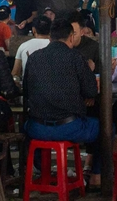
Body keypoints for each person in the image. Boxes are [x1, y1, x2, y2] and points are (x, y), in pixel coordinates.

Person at [22, 17, 100, 187]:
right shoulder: (76, 57)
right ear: (71, 37)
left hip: (37, 128)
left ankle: (42, 172)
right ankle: (97, 175)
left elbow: (26, 91)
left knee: (25, 127)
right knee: (106, 128)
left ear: (50, 37)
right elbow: (91, 91)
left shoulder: (34, 58)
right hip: (69, 128)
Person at [11, 14, 52, 82]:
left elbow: (15, 73)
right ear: (50, 30)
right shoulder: (56, 46)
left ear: (33, 30)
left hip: (28, 87)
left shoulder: (23, 46)